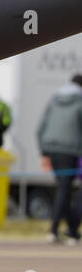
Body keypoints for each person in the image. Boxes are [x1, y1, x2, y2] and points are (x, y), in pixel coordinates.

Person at [35, 74, 82, 244]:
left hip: (50, 149)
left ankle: (72, 231)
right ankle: (54, 230)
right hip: (69, 151)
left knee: (63, 190)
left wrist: (44, 152)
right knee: (64, 190)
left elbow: (40, 128)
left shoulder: (54, 100)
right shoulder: (79, 101)